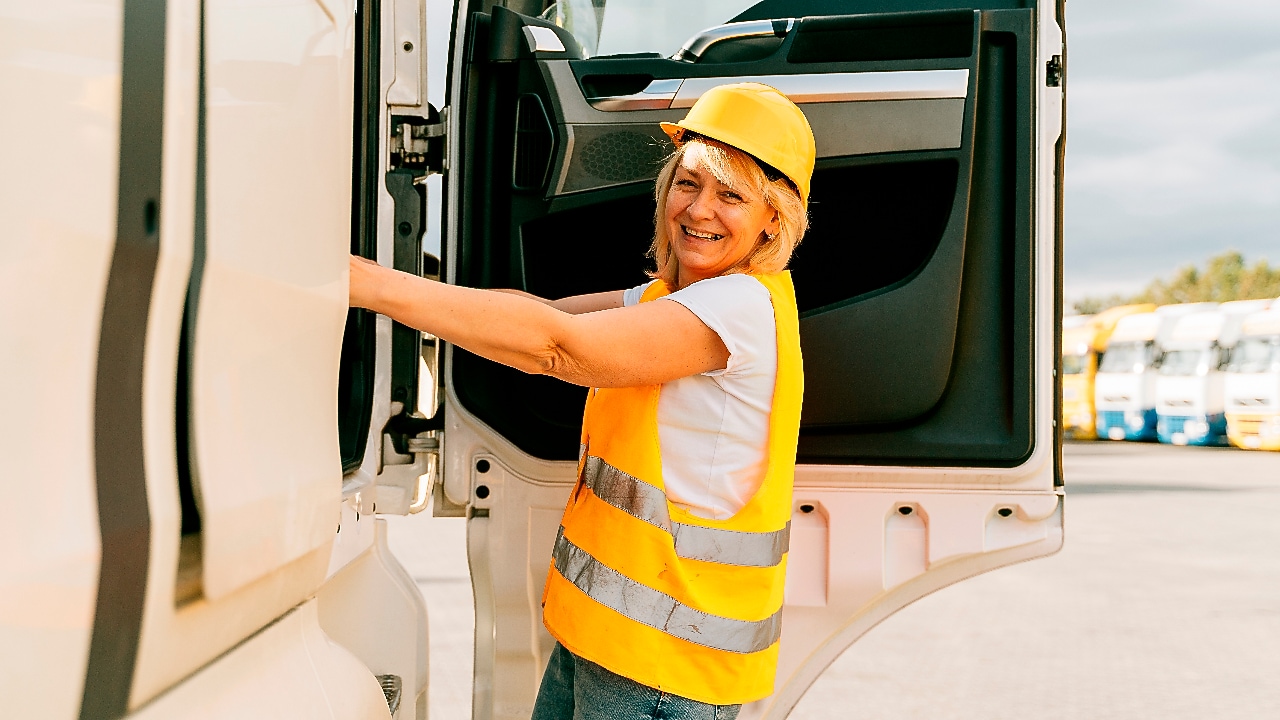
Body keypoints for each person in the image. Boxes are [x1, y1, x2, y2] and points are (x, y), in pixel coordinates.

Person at [349, 82, 815, 720]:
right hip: (609, 645)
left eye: (730, 194)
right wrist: (422, 292)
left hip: (660, 672)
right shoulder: (674, 299)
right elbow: (542, 321)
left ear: (773, 219)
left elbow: (558, 350)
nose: (699, 209)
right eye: (689, 183)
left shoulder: (738, 308)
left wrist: (367, 284)